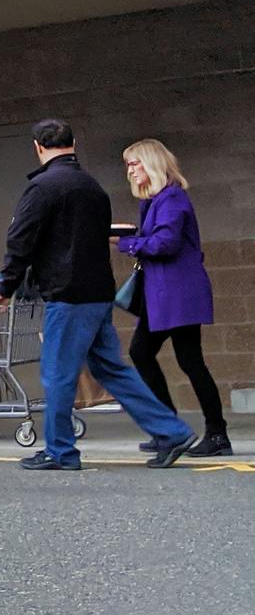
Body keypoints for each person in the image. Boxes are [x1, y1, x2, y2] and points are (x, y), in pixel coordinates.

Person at [0, 118, 195, 470]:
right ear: (74, 143)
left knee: (57, 374)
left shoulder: (42, 188)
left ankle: (61, 451)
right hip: (98, 294)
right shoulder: (93, 187)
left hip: (68, 296)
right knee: (113, 370)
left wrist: (5, 288)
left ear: (37, 147)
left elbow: (20, 241)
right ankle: (171, 431)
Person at [118, 138, 231, 457]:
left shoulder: (172, 199)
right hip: (165, 294)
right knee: (146, 353)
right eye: (127, 164)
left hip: (177, 293)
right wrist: (132, 236)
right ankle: (171, 429)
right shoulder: (155, 201)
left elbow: (164, 244)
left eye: (135, 162)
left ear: (152, 163)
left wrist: (126, 244)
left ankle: (212, 433)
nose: (130, 170)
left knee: (189, 361)